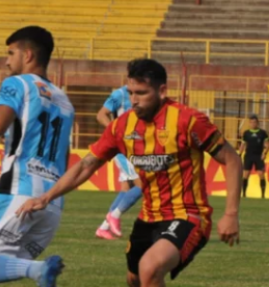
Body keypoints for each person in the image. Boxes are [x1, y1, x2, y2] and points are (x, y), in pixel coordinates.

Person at [17, 58, 242, 287]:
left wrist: (231, 214)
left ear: (162, 90)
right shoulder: (121, 126)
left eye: (141, 93)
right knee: (134, 279)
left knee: (150, 268)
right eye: (131, 92)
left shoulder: (189, 120)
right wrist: (46, 197)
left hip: (188, 215)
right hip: (148, 217)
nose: (134, 100)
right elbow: (87, 165)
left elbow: (232, 160)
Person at [0, 26, 73, 287]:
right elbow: (63, 156)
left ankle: (39, 270)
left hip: (17, 191)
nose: (7, 60)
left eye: (11, 53)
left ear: (28, 55)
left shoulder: (17, 83)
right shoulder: (64, 100)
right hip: (51, 202)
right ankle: (38, 270)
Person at [95, 85, 142, 240]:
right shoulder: (120, 94)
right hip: (123, 149)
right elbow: (101, 115)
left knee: (127, 187)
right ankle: (114, 215)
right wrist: (116, 132)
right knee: (143, 184)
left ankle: (104, 228)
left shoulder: (141, 94)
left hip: (135, 148)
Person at [239, 114, 268, 198]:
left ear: (257, 123)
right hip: (248, 156)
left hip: (259, 156)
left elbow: (267, 145)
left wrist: (264, 153)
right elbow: (243, 145)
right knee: (245, 175)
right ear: (249, 123)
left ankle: (262, 195)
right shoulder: (246, 133)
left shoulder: (262, 133)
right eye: (251, 122)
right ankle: (244, 194)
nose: (253, 124)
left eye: (254, 122)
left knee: (261, 174)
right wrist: (239, 154)